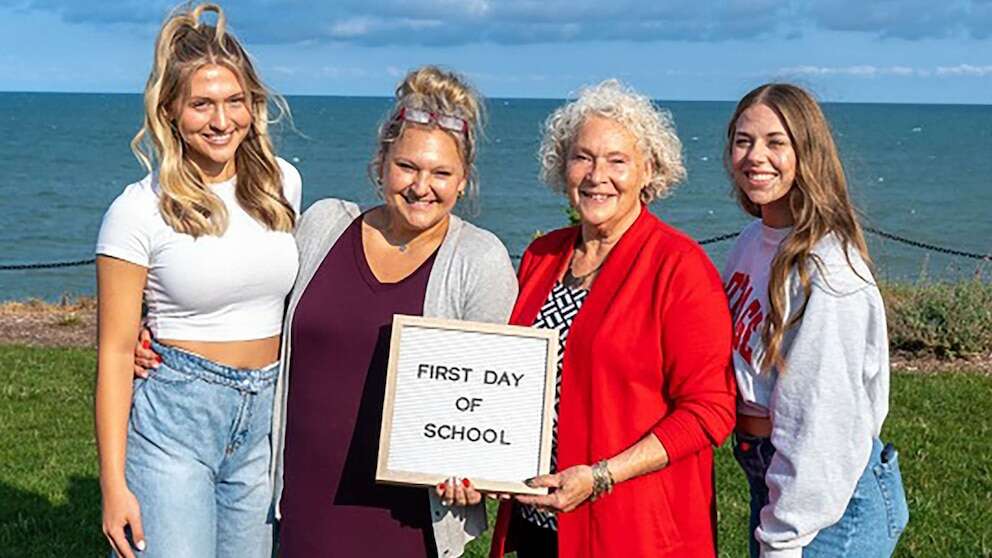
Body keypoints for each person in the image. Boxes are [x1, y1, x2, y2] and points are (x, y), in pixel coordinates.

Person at [269, 66, 517, 557]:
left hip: (406, 521)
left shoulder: (479, 260)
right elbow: (256, 310)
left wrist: (477, 470)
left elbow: (491, 402)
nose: (421, 186)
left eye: (441, 173)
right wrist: (161, 334)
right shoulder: (322, 225)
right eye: (407, 166)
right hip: (300, 504)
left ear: (463, 181)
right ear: (380, 164)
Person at [489, 80, 737, 558]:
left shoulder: (678, 267)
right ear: (563, 167)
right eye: (583, 157)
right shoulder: (543, 256)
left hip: (631, 529)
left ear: (649, 171)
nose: (597, 174)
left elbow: (711, 411)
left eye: (617, 160)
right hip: (538, 521)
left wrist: (602, 475)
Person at [94, 4, 300, 558]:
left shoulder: (284, 185)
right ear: (170, 111)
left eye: (235, 101)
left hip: (264, 419)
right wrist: (113, 487)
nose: (221, 120)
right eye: (201, 104)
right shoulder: (137, 211)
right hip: (175, 420)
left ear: (252, 105)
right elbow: (114, 353)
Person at [722, 83, 909, 557]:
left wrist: (784, 539)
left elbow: (821, 419)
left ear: (807, 153)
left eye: (775, 142)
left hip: (828, 503)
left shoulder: (828, 270)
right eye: (743, 141)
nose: (755, 156)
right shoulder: (750, 243)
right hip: (774, 478)